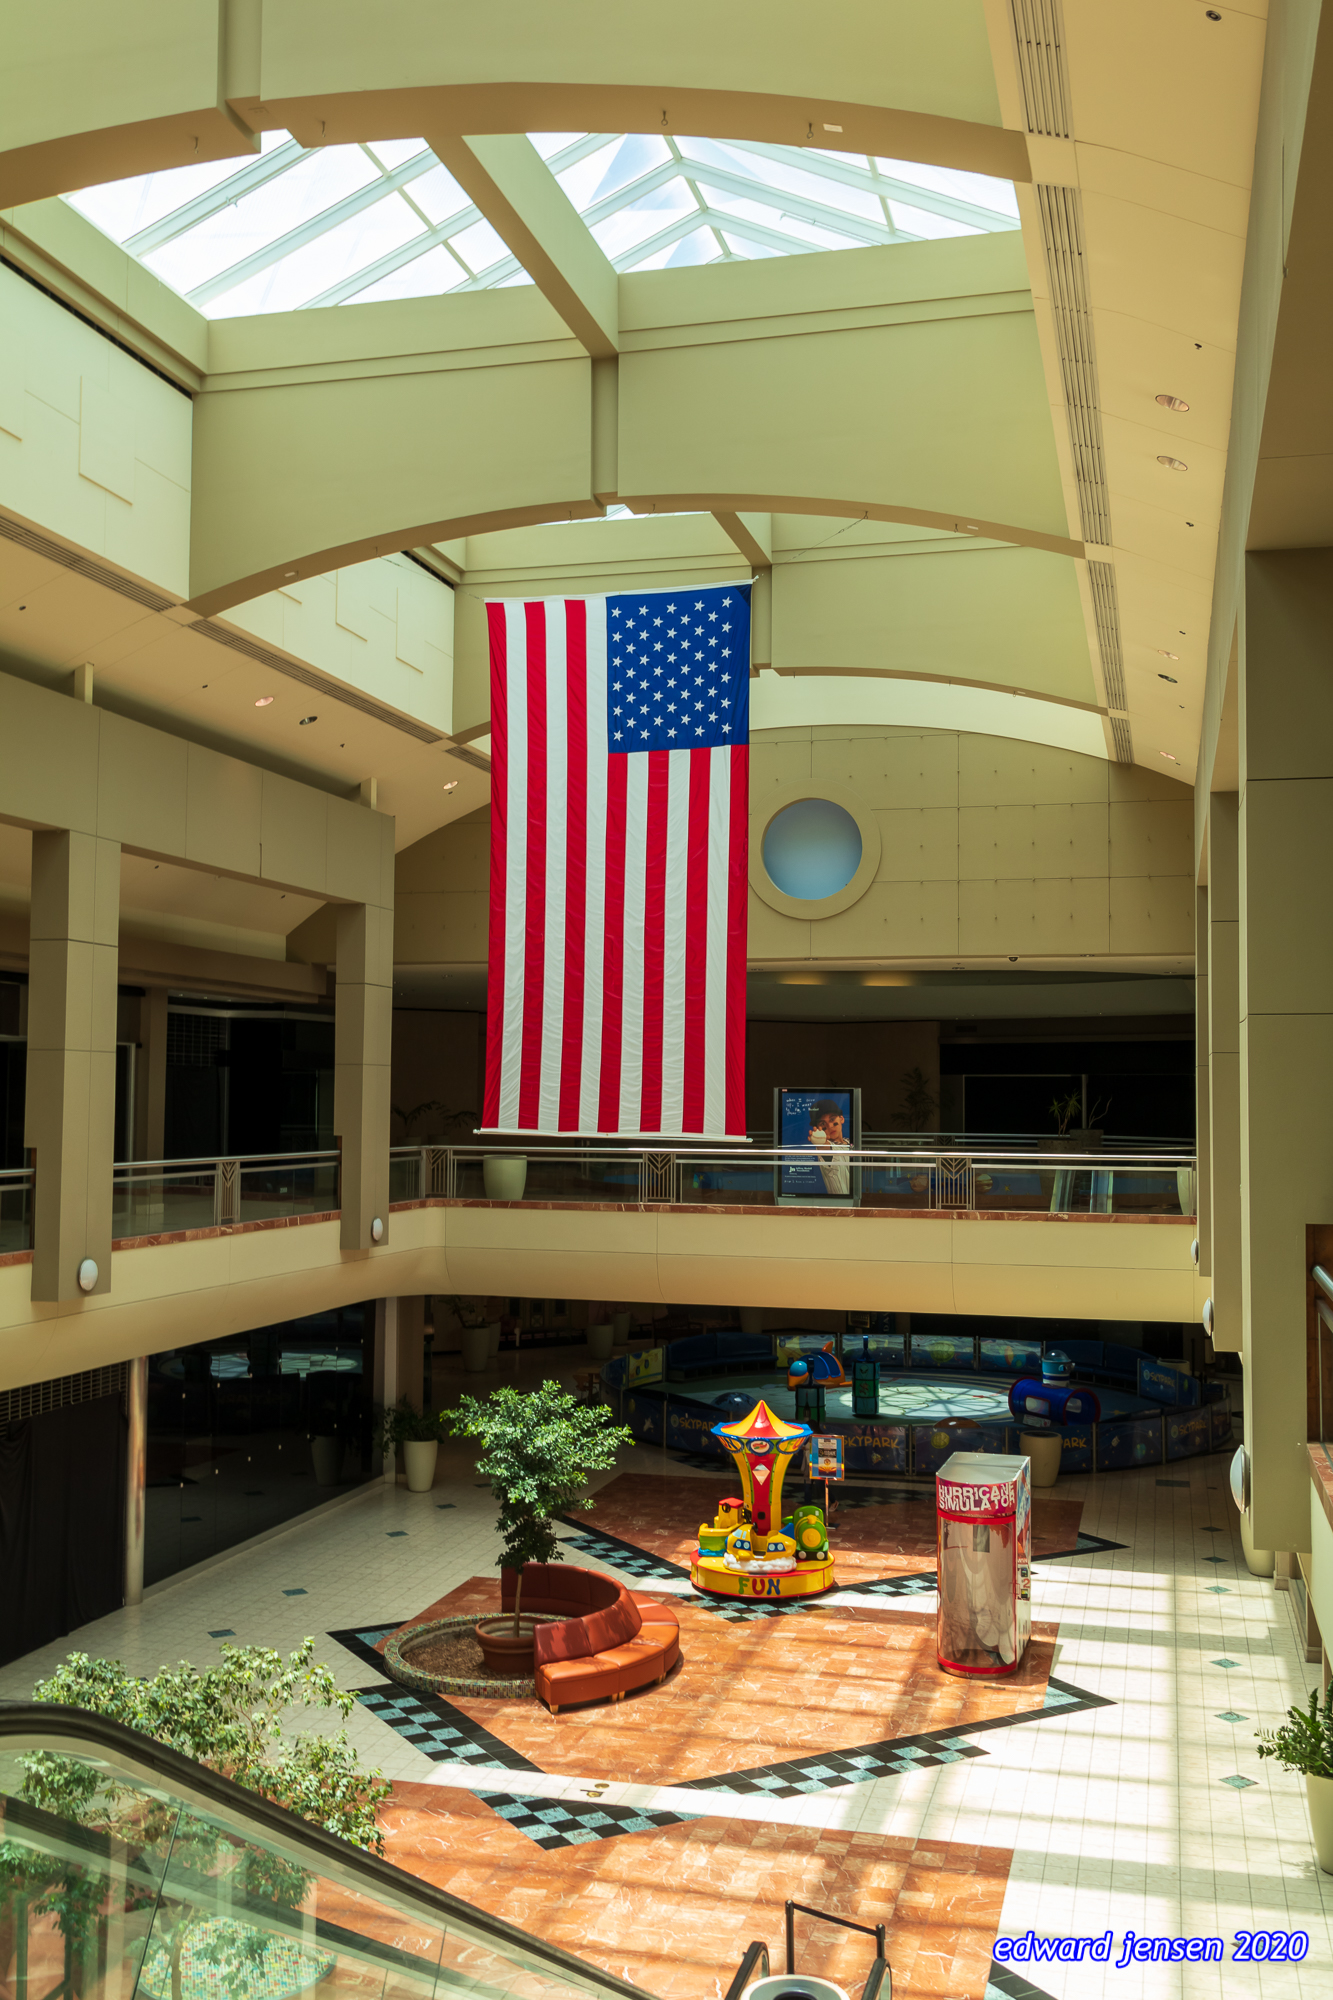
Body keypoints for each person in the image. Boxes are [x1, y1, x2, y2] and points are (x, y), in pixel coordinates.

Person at [808, 1096, 852, 1195]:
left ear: (841, 1119)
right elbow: (824, 1147)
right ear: (818, 1128)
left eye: (832, 1119)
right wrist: (819, 1141)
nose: (829, 1126)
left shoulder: (850, 1142)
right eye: (823, 1123)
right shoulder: (827, 1147)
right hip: (839, 1205)